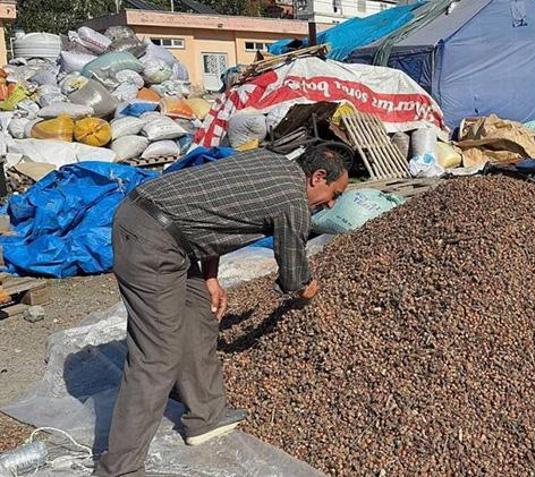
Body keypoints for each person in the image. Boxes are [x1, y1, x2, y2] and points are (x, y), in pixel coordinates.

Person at [94, 144, 351, 476]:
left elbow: (215, 211)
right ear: (318, 177)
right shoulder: (293, 201)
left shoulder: (270, 162)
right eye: (334, 193)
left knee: (199, 316)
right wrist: (310, 289)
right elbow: (293, 278)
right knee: (156, 355)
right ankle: (119, 469)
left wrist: (210, 276)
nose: (331, 203)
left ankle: (205, 418)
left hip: (167, 230)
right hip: (150, 238)